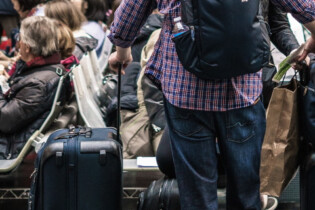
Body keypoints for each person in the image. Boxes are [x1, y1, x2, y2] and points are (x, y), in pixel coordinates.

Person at [108, 0, 315, 210]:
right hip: (242, 92)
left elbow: (132, 8)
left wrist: (122, 50)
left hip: (185, 91)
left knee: (197, 196)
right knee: (246, 190)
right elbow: (300, 5)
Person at [0, 16, 66, 159]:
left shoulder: (38, 84)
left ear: (27, 47)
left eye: (20, 39)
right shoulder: (50, 68)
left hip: (7, 146)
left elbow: (4, 121)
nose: (18, 44)